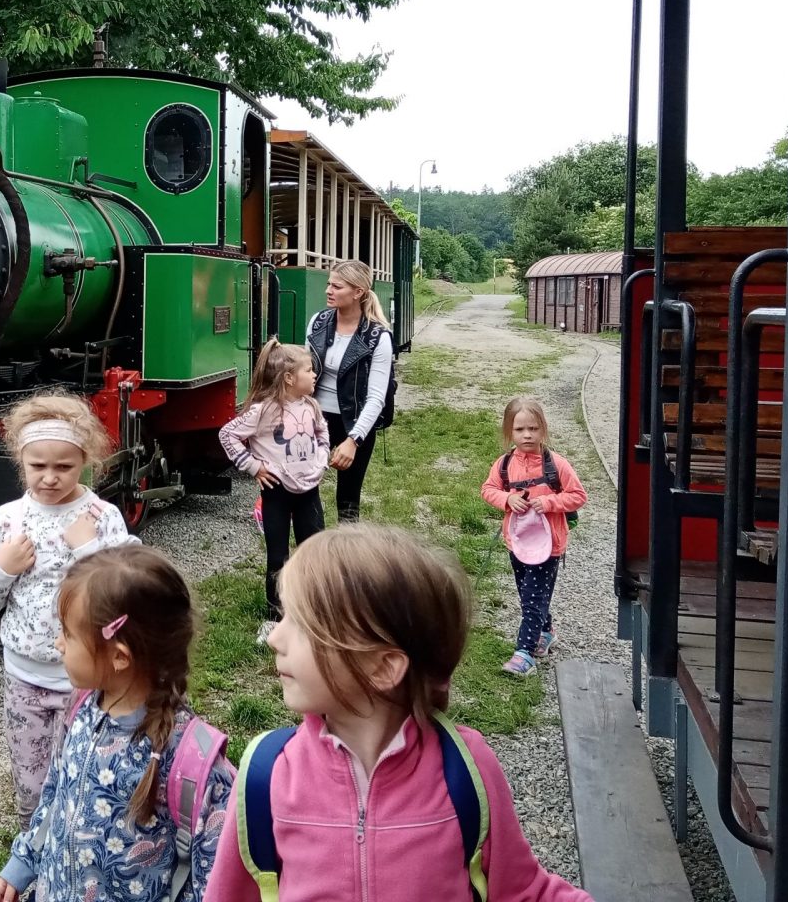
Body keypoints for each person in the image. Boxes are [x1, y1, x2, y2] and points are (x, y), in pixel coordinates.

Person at [203, 526, 593, 902]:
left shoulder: (465, 771)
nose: (274, 637)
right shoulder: (266, 775)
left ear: (384, 667)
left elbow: (522, 891)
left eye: (302, 624)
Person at [0, 545, 234, 902]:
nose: (58, 644)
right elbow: (56, 792)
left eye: (68, 634)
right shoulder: (81, 709)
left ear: (119, 657)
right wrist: (25, 859)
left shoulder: (190, 759)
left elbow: (215, 875)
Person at [0, 391, 138, 828]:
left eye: (64, 467)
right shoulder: (8, 520)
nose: (50, 478)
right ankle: (36, 849)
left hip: (87, 680)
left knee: (87, 780)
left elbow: (126, 599)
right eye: (37, 465)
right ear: (20, 461)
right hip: (24, 680)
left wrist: (89, 551)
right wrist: (2, 568)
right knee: (31, 785)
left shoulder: (101, 517)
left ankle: (81, 851)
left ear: (85, 461)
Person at [218, 339, 328, 641]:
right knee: (277, 556)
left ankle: (313, 613)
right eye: (309, 370)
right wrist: (253, 466)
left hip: (310, 492)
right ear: (289, 378)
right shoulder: (263, 411)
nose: (314, 375)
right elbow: (227, 434)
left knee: (313, 552)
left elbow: (322, 432)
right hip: (277, 493)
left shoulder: (312, 406)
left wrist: (321, 459)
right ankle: (275, 617)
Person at [480, 397, 588, 677]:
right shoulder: (504, 465)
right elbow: (488, 489)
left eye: (533, 428)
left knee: (532, 598)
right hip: (517, 542)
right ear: (509, 431)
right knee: (528, 592)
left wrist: (550, 502)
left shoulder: (556, 465)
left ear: (543, 429)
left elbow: (578, 496)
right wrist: (507, 499)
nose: (527, 435)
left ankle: (524, 653)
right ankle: (545, 630)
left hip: (549, 545)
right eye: (519, 430)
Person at [305, 259, 394, 523]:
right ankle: (312, 545)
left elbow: (376, 398)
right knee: (303, 489)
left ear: (358, 292)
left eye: (337, 286)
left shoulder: (378, 337)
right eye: (329, 284)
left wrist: (353, 440)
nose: (328, 290)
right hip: (315, 418)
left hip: (355, 421)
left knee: (348, 500)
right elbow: (304, 372)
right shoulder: (318, 322)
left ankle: (348, 547)